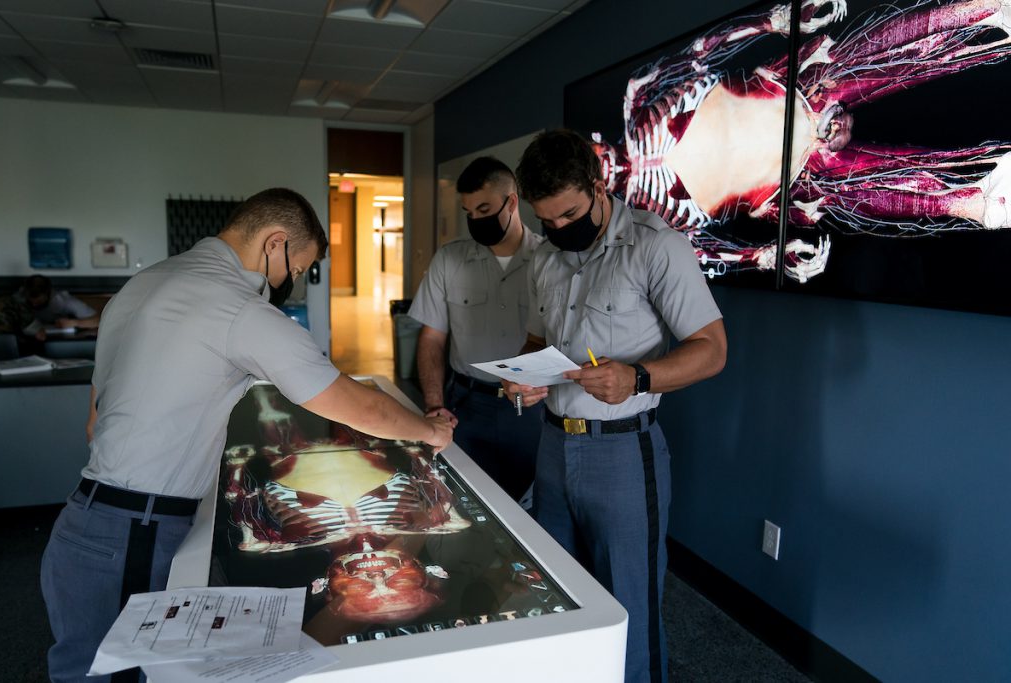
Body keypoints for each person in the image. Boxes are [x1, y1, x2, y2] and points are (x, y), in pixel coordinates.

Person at [39, 188, 454, 683]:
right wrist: (429, 429)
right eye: (296, 270)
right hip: (133, 533)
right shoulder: (237, 307)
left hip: (89, 523)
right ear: (274, 244)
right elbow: (355, 404)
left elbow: (96, 421)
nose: (291, 284)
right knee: (119, 677)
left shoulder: (138, 288)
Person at [505, 130, 727, 683]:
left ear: (599, 186)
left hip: (624, 453)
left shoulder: (656, 245)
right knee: (555, 591)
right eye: (546, 222)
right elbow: (538, 342)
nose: (558, 230)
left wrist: (639, 377)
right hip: (553, 446)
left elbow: (712, 351)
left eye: (569, 215)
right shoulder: (547, 258)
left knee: (627, 602)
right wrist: (524, 377)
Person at [589, 0, 1011, 282]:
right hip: (796, 181)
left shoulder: (637, 94)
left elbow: (699, 53)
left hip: (796, 89)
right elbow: (698, 255)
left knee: (876, 58)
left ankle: (983, 11)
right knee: (867, 188)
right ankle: (972, 203)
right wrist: (764, 258)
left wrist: (771, 22)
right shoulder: (651, 225)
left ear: (592, 141)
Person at [408, 157, 544, 505]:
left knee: (526, 508)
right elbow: (432, 338)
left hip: (528, 411)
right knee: (460, 502)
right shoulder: (449, 260)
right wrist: (435, 404)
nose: (475, 220)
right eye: (468, 211)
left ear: (511, 202)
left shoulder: (549, 260)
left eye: (484, 208)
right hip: (465, 406)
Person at [18, 274, 101, 330]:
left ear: (49, 293)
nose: (34, 304)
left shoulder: (64, 300)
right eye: (30, 302)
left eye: (39, 301)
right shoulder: (18, 299)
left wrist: (75, 323)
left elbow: (98, 321)